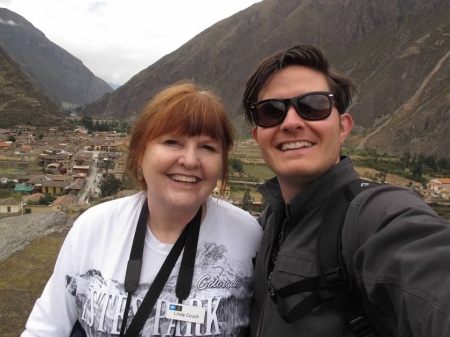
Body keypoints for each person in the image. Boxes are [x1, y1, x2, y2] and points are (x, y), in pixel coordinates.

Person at [22, 81, 263, 337]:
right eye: (172, 142)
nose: (190, 160)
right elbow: (46, 329)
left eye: (208, 147)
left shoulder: (249, 236)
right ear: (140, 153)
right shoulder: (94, 227)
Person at [242, 44, 450, 336]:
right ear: (257, 136)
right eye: (270, 111)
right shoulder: (268, 223)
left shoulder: (376, 213)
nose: (290, 122)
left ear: (343, 127)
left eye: (313, 106)